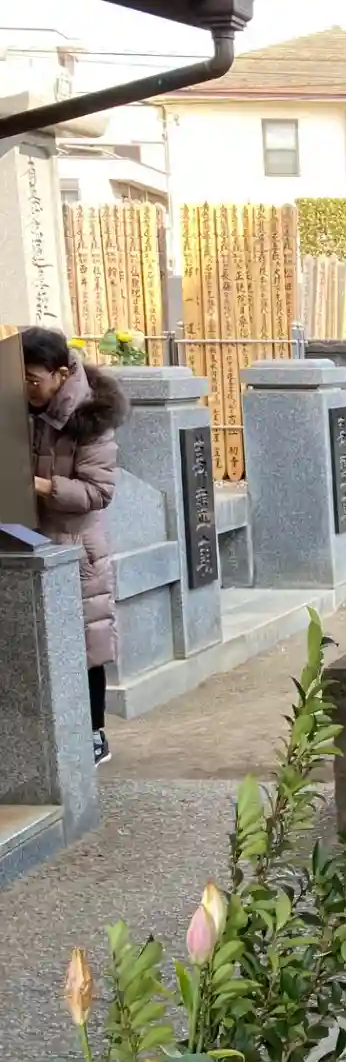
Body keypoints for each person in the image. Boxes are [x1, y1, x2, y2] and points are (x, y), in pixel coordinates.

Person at [21, 326, 128, 765]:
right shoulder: (19, 409)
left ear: (61, 374)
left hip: (76, 548)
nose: (26, 388)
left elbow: (98, 492)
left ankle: (94, 733)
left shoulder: (91, 420)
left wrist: (40, 485)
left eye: (33, 379)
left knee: (86, 645)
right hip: (26, 542)